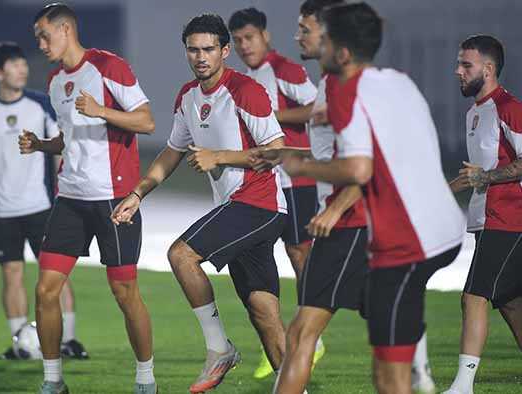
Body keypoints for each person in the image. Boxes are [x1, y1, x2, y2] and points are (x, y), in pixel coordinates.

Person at [271, 3, 465, 393]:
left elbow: (360, 170)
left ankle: (415, 363)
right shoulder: (396, 79)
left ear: (341, 52)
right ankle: (417, 359)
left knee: (383, 373)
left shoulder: (346, 91)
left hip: (406, 242)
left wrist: (300, 167)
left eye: (322, 39)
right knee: (382, 354)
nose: (314, 43)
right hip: (440, 230)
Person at [111, 13, 289, 394]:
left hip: (260, 205)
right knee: (264, 311)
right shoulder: (188, 96)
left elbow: (277, 150)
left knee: (181, 255)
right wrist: (138, 193)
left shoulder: (246, 90)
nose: (201, 56)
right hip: (238, 208)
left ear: (225, 51)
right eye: (193, 49)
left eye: (209, 49)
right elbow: (172, 153)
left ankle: (219, 349)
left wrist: (220, 157)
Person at [23, 3, 156, 393]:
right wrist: (42, 145)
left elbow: (146, 121)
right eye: (38, 38)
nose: (41, 43)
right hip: (71, 199)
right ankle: (53, 382)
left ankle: (146, 380)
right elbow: (69, 137)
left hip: (113, 199)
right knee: (46, 290)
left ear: (67, 30)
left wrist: (101, 110)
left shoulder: (108, 67)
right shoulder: (53, 81)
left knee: (125, 292)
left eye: (45, 35)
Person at [0, 41, 87, 361]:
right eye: (14, 65)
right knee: (11, 275)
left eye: (23, 64)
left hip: (42, 207)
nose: (22, 69)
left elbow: (63, 145)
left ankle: (68, 340)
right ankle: (20, 344)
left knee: (56, 275)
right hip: (2, 212)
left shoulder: (41, 105)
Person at [227, 7, 325, 379]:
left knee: (300, 253)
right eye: (237, 40)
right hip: (269, 182)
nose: (243, 45)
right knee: (273, 256)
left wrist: (270, 117)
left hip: (296, 177)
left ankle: (311, 337)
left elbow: (318, 107)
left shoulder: (283, 69)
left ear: (265, 36)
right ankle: (284, 340)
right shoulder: (244, 77)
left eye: (249, 37)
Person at [444, 35, 522, 394]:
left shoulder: (509, 108)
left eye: (466, 65)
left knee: (473, 296)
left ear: (488, 69)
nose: (458, 71)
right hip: (487, 220)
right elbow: (475, 173)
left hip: (509, 219)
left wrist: (486, 178)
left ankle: (462, 387)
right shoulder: (475, 112)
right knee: (509, 302)